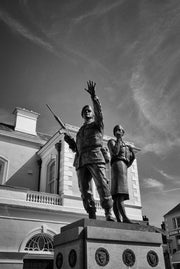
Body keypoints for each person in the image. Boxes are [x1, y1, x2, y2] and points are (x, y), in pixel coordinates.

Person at [64, 80, 114, 221]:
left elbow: (99, 112)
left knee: (102, 185)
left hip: (96, 156)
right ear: (82, 115)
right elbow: (76, 148)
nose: (87, 112)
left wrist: (94, 98)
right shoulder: (80, 131)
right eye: (85, 111)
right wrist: (70, 140)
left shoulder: (98, 124)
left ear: (92, 114)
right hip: (81, 160)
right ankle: (91, 212)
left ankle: (108, 212)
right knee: (84, 190)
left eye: (89, 110)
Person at [107, 124, 135, 223]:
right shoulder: (112, 141)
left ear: (123, 133)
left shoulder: (126, 146)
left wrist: (133, 155)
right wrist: (118, 139)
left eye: (121, 130)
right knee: (119, 194)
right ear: (114, 132)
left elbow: (128, 162)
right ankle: (124, 218)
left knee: (117, 196)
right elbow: (115, 152)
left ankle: (119, 219)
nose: (119, 131)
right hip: (117, 165)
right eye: (117, 130)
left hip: (123, 168)